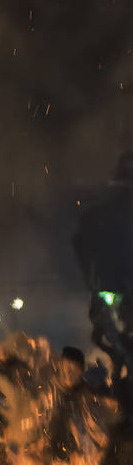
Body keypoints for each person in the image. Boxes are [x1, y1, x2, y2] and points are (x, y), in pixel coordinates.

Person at [74, 150, 133, 349]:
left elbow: (80, 243)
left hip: (105, 284)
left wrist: (91, 279)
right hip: (119, 283)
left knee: (107, 336)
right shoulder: (114, 204)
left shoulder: (97, 205)